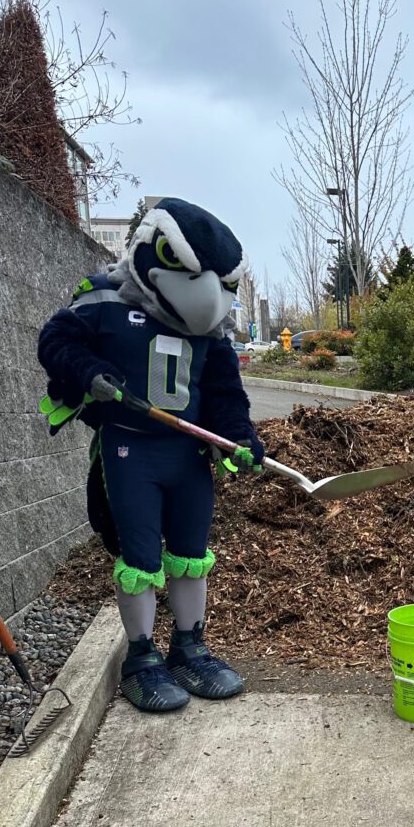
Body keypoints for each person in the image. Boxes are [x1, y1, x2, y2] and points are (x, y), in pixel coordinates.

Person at [37, 198, 264, 713]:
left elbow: (226, 394)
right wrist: (87, 370)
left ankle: (190, 646)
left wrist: (238, 440)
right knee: (138, 557)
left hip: (188, 456)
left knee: (190, 554)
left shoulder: (211, 335)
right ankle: (141, 658)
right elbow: (55, 340)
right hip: (129, 449)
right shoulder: (104, 300)